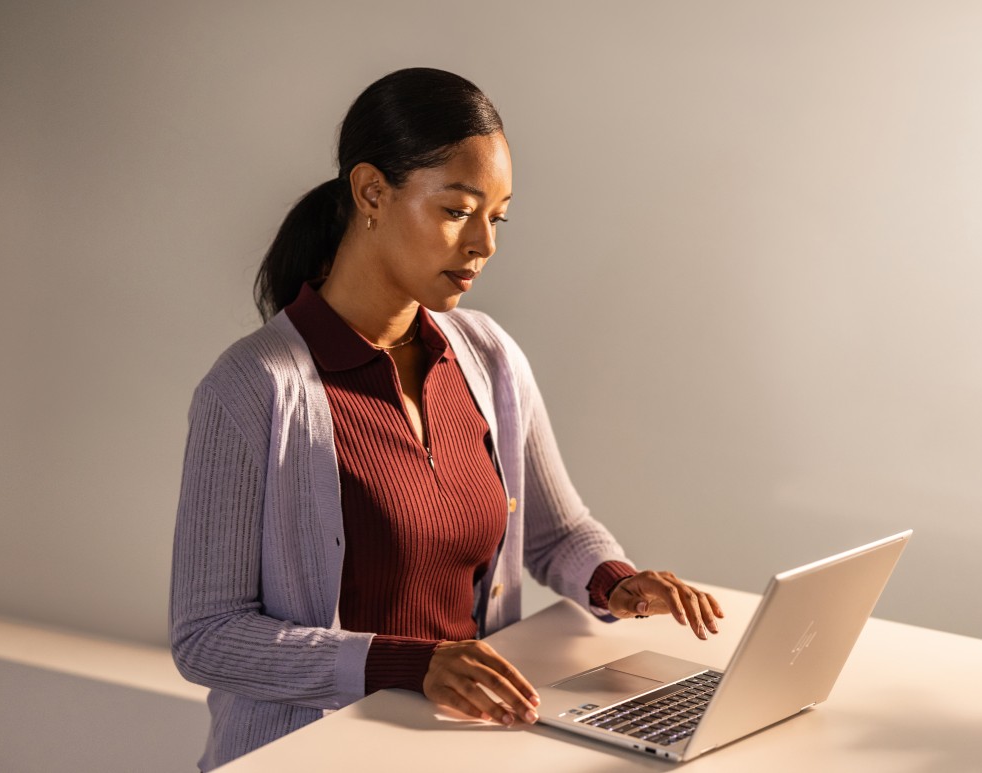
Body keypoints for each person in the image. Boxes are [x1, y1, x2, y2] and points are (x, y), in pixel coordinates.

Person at [169, 67, 723, 771]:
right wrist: (407, 662)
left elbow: (557, 532)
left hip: (463, 749)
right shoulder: (253, 388)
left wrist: (615, 581)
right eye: (459, 211)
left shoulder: (488, 357)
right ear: (372, 191)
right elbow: (206, 636)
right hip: (311, 755)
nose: (484, 244)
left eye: (497, 217)